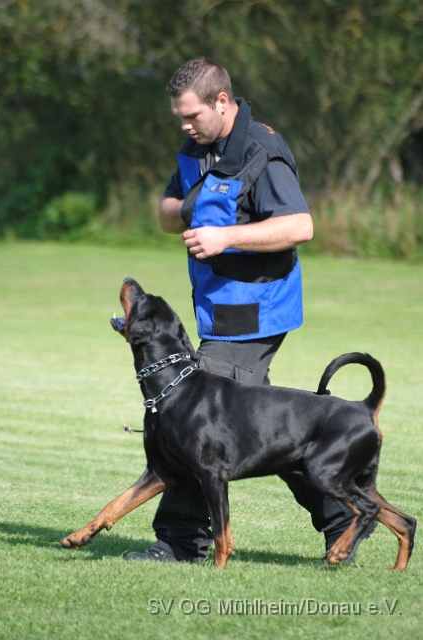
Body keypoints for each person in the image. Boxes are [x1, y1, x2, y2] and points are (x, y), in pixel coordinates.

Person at [124, 58, 368, 564]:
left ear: (221, 101)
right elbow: (169, 213)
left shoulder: (262, 151)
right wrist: (191, 208)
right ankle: (343, 517)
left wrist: (225, 235)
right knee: (262, 431)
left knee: (197, 419)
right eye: (179, 118)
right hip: (214, 307)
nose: (185, 126)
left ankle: (179, 540)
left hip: (255, 309)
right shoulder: (198, 149)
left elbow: (300, 226)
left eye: (191, 116)